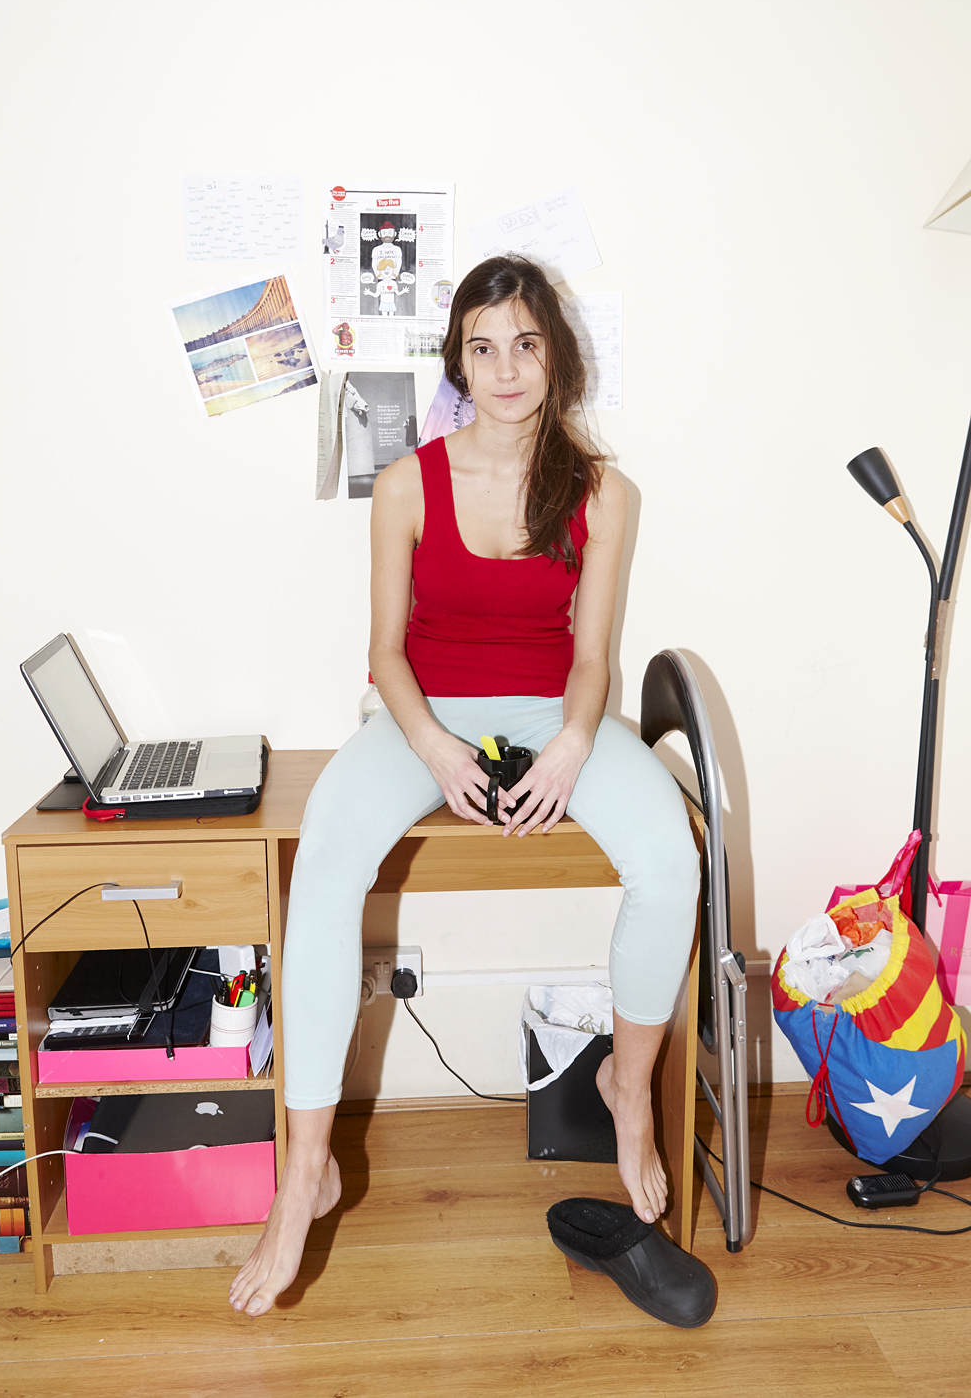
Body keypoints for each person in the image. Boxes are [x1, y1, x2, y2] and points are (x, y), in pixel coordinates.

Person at [229, 254, 701, 1318]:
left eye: (525, 344)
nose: (506, 368)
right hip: (420, 710)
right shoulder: (407, 485)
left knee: (671, 860)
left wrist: (572, 746)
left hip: (553, 710)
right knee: (324, 864)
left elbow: (593, 657)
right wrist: (437, 749)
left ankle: (626, 1088)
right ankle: (305, 1170)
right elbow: (384, 653)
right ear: (459, 362)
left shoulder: (604, 494)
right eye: (483, 348)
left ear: (556, 357)